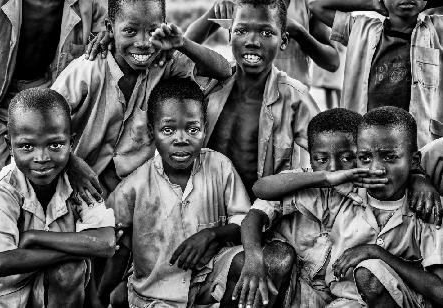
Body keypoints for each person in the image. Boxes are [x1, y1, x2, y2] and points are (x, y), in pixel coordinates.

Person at [237, 108, 443, 308]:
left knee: (369, 271)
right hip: (333, 297)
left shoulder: (424, 207)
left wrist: (376, 253)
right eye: (365, 158)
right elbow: (261, 190)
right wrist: (326, 178)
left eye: (389, 157)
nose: (376, 169)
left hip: (391, 298)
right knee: (276, 259)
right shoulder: (344, 191)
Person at [51, 0, 232, 196]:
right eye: (130, 31)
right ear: (110, 28)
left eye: (152, 31)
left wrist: (182, 43)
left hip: (129, 192)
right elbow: (43, 122)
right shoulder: (87, 71)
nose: (144, 43)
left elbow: (223, 70)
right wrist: (71, 161)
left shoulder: (164, 63)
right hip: (72, 186)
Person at [101, 77, 251, 307]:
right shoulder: (135, 185)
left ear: (204, 129)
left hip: (207, 282)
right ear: (152, 132)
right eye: (168, 130)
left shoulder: (219, 165)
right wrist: (103, 295)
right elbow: (115, 242)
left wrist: (212, 234)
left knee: (245, 261)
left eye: (192, 129)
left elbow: (244, 220)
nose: (181, 140)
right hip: (158, 293)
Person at [186, 0, 320, 201]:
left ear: (283, 41)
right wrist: (213, 11)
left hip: (261, 217)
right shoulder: (209, 83)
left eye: (266, 33)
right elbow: (181, 51)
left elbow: (330, 151)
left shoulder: (294, 98)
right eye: (241, 31)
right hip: (206, 209)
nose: (252, 41)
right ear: (229, 34)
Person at [0, 88, 116, 307]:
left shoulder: (80, 180)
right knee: (72, 263)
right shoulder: (3, 189)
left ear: (71, 141)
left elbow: (105, 243)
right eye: (26, 146)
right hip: (8, 294)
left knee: (69, 272)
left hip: (57, 290)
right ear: (9, 144)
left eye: (55, 145)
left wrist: (33, 237)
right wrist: (75, 251)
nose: (42, 157)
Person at [0, 0, 108, 178]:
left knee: (46, 174)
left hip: (48, 93)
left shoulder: (86, 5)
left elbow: (115, 28)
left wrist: (107, 35)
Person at [310, 0, 443, 148]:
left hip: (419, 143)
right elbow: (316, 6)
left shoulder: (437, 30)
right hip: (367, 142)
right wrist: (373, 4)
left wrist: (424, 3)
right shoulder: (360, 29)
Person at [186, 0, 339, 87]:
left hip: (291, 105)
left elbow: (332, 62)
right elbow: (186, 44)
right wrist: (214, 10)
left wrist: (299, 32)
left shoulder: (307, 5)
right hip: (244, 101)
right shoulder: (238, 3)